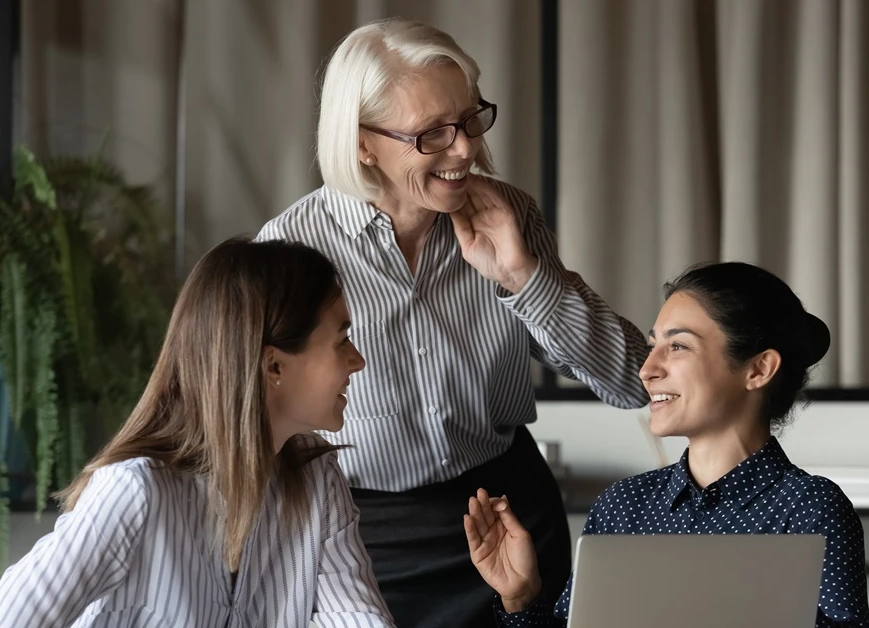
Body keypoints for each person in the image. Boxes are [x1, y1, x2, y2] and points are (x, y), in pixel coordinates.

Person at [254, 17, 649, 628]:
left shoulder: (508, 214)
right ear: (362, 142)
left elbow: (632, 381)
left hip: (510, 519)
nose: (464, 149)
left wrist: (522, 277)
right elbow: (242, 414)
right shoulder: (289, 248)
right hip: (360, 539)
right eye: (431, 134)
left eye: (468, 120)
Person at [0, 238, 396, 628]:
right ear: (274, 367)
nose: (357, 360)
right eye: (342, 340)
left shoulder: (317, 477)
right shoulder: (134, 492)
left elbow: (359, 620)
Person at [465, 261, 869, 628]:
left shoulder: (810, 508)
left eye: (677, 346)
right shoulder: (623, 506)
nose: (647, 369)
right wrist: (520, 596)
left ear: (758, 369)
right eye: (651, 346)